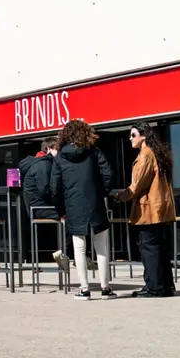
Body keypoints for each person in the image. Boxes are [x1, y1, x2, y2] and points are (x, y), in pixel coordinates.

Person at [51, 119, 116, 300]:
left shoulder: (60, 157)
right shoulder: (93, 151)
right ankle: (105, 288)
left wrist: (60, 209)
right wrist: (101, 192)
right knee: (101, 246)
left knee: (79, 248)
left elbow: (54, 186)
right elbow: (108, 173)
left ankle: (84, 289)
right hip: (95, 203)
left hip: (73, 205)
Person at [111, 123, 176, 298]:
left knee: (149, 249)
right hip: (159, 209)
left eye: (133, 135)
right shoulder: (157, 154)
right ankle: (165, 286)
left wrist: (119, 195)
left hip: (149, 210)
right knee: (159, 248)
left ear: (144, 136)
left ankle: (154, 287)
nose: (130, 138)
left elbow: (136, 186)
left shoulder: (145, 155)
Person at [19, 136, 70, 271]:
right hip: (39, 207)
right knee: (72, 215)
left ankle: (68, 254)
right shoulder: (43, 164)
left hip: (39, 206)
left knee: (71, 213)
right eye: (58, 149)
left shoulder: (43, 162)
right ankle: (68, 254)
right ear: (49, 149)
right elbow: (46, 190)